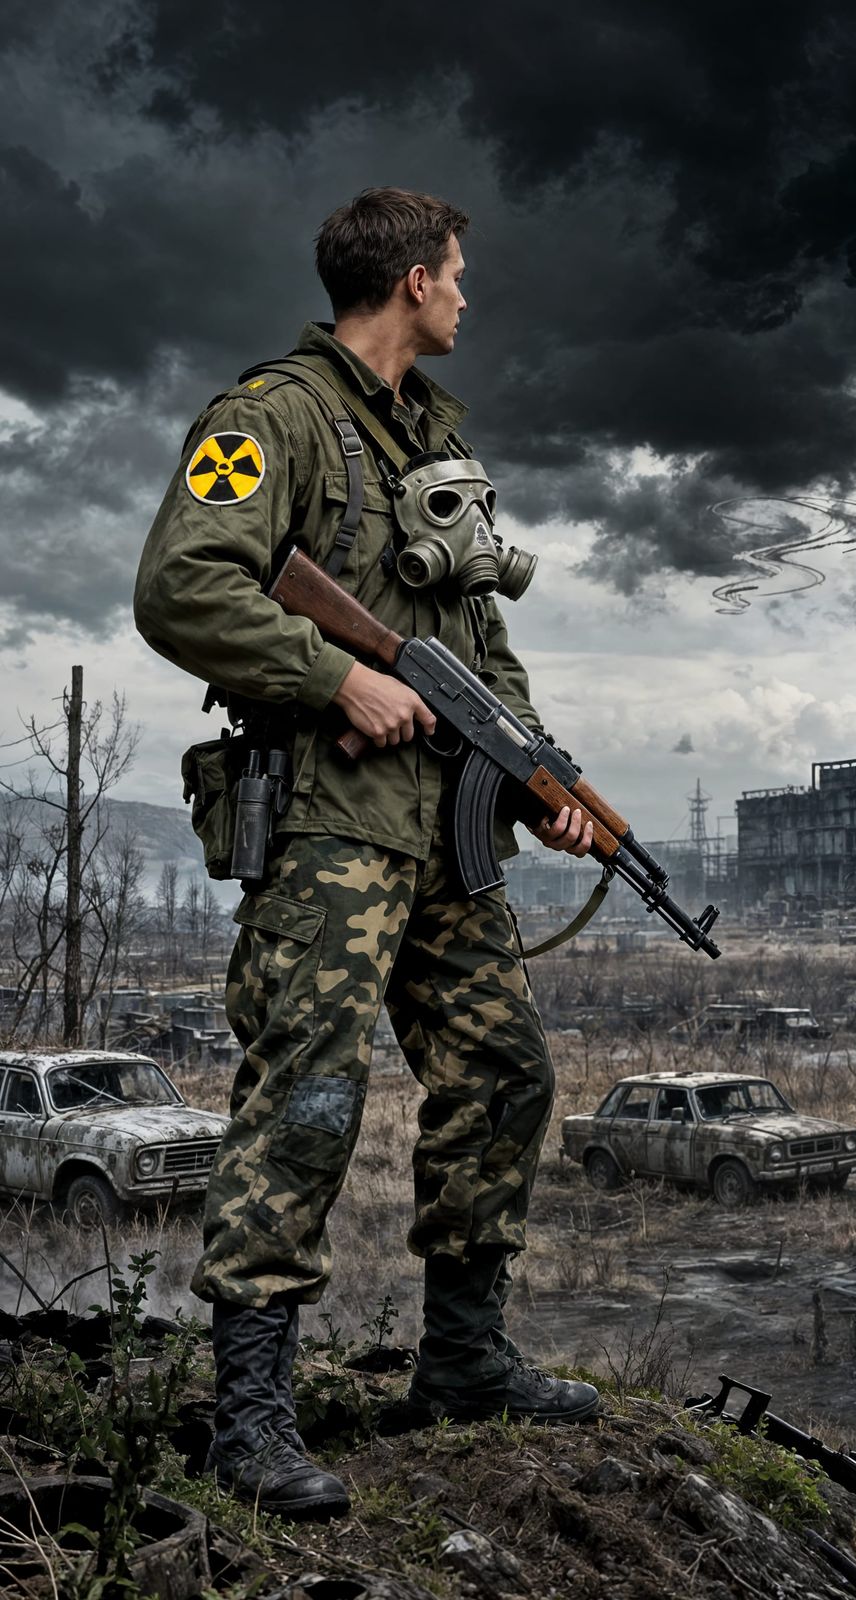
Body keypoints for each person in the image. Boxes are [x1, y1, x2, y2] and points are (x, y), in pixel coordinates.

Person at [134, 188, 601, 1520]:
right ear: (408, 281)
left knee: (508, 1076)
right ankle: (252, 1415)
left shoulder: (434, 442)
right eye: (457, 276)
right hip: (333, 830)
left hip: (444, 844)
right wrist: (332, 676)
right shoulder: (270, 419)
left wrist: (541, 784)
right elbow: (183, 585)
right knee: (312, 1099)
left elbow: (480, 666)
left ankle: (462, 1359)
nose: (467, 296)